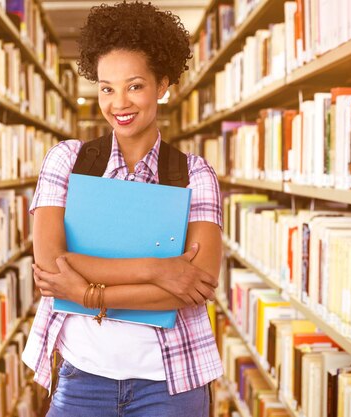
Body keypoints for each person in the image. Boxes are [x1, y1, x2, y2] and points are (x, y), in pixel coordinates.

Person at [22, 2, 224, 416]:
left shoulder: (194, 175)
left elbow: (195, 286)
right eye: (106, 88)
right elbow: (50, 263)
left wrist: (86, 292)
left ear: (163, 84)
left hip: (170, 386)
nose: (119, 103)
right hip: (81, 380)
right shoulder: (67, 160)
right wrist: (157, 270)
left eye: (134, 86)